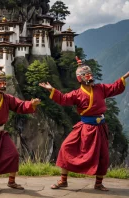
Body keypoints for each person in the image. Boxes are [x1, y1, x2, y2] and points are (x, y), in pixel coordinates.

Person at [39, 56, 128, 191]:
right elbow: (63, 99)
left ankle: (98, 183)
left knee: (102, 154)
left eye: (90, 74)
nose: (90, 77)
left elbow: (115, 87)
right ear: (80, 78)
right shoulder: (76, 94)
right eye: (86, 75)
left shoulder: (101, 88)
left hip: (100, 127)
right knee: (66, 147)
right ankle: (63, 180)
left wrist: (125, 76)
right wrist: (52, 90)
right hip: (84, 127)